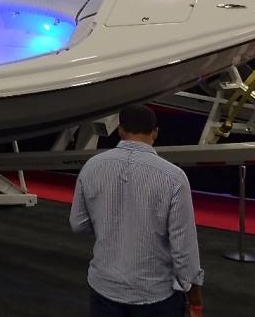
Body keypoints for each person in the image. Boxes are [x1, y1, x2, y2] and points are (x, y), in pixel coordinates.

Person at [70, 104, 204, 317]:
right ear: (155, 133)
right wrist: (194, 298)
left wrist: (109, 227)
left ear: (120, 130)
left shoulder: (92, 166)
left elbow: (78, 224)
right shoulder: (174, 177)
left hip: (104, 287)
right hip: (154, 293)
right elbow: (183, 247)